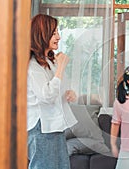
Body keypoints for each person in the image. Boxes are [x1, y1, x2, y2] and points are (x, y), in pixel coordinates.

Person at [27, 14, 77, 169]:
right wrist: (61, 67)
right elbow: (47, 96)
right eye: (54, 33)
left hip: (55, 125)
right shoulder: (32, 65)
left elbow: (57, 87)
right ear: (43, 34)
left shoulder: (50, 61)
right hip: (41, 126)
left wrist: (69, 93)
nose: (59, 37)